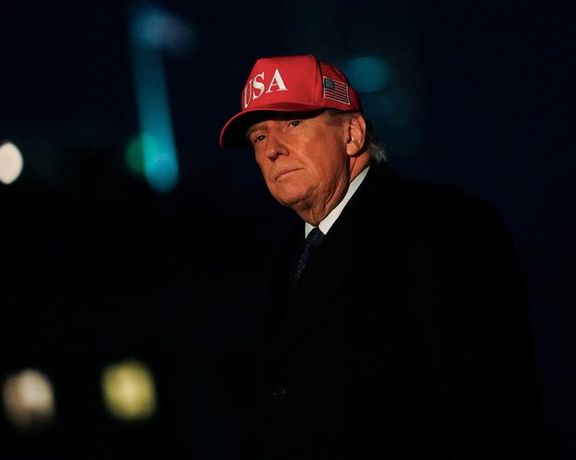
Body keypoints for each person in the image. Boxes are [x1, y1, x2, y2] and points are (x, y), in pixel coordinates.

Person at [217, 54, 544, 459]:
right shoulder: (277, 258)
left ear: (352, 133)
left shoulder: (444, 226)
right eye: (259, 137)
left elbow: (492, 410)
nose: (272, 150)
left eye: (294, 123)